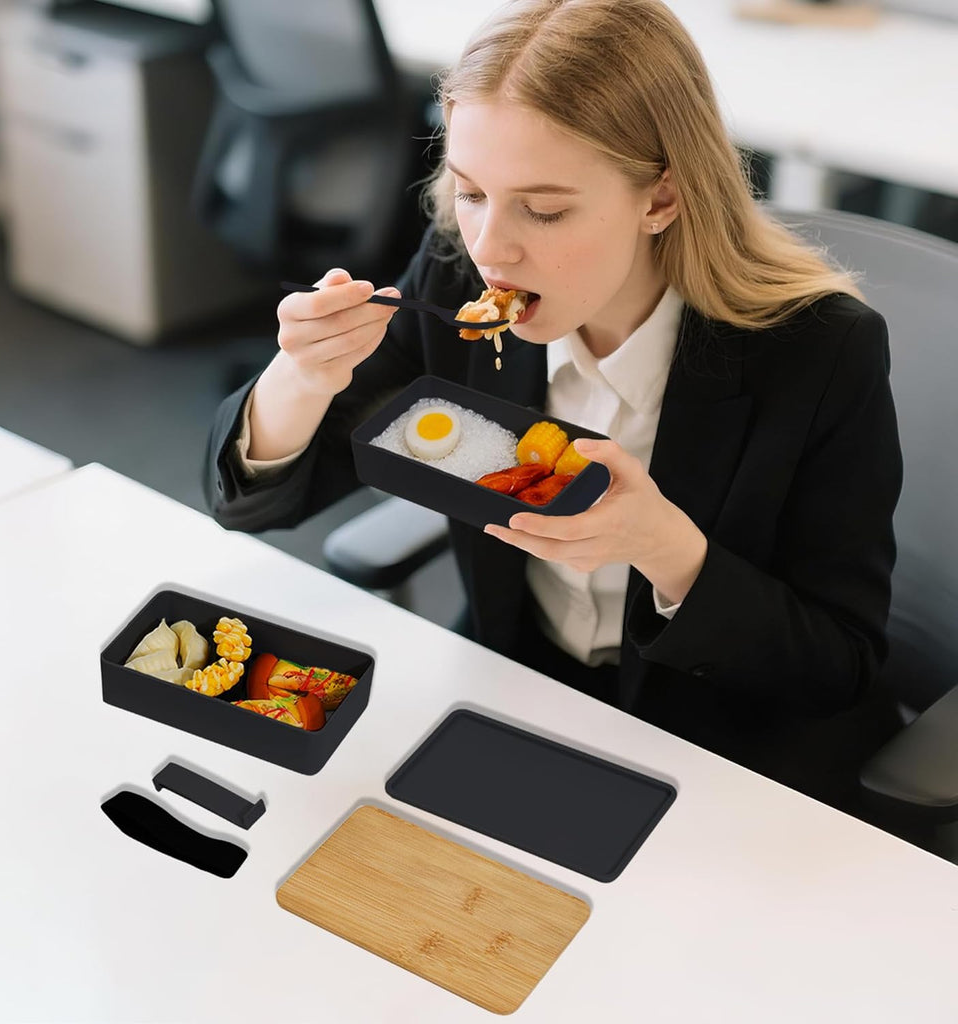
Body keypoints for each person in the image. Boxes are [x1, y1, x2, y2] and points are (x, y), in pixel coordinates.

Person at [205, 0, 903, 815]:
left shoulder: (818, 349)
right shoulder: (456, 276)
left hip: (729, 750)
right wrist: (301, 376)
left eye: (543, 209)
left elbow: (840, 664)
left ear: (662, 198)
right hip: (519, 688)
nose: (492, 248)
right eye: (470, 193)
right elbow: (252, 500)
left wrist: (668, 548)